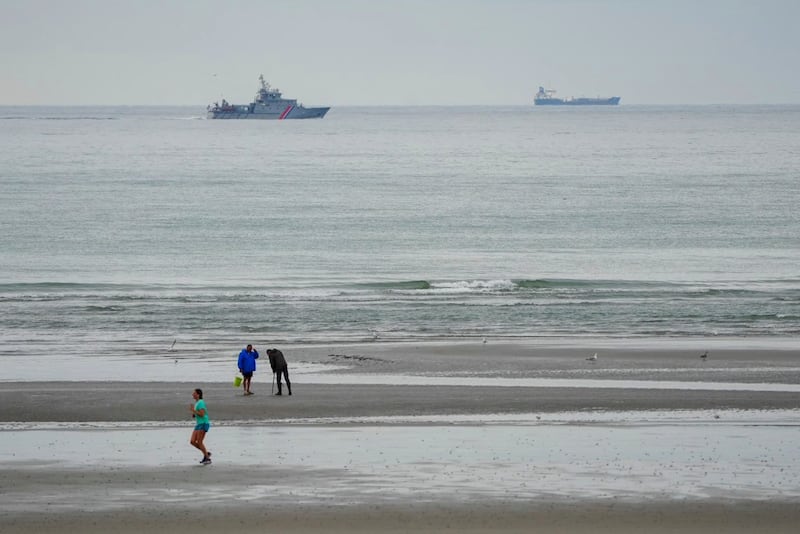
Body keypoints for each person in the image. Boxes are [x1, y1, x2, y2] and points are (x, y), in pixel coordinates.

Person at [189, 388, 211, 464]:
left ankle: (207, 458)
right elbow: (197, 414)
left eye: (194, 393)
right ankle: (206, 453)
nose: (193, 394)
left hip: (204, 423)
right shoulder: (197, 403)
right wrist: (194, 414)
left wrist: (194, 411)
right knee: (192, 441)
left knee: (199, 442)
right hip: (198, 424)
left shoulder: (201, 402)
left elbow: (202, 414)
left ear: (198, 395)